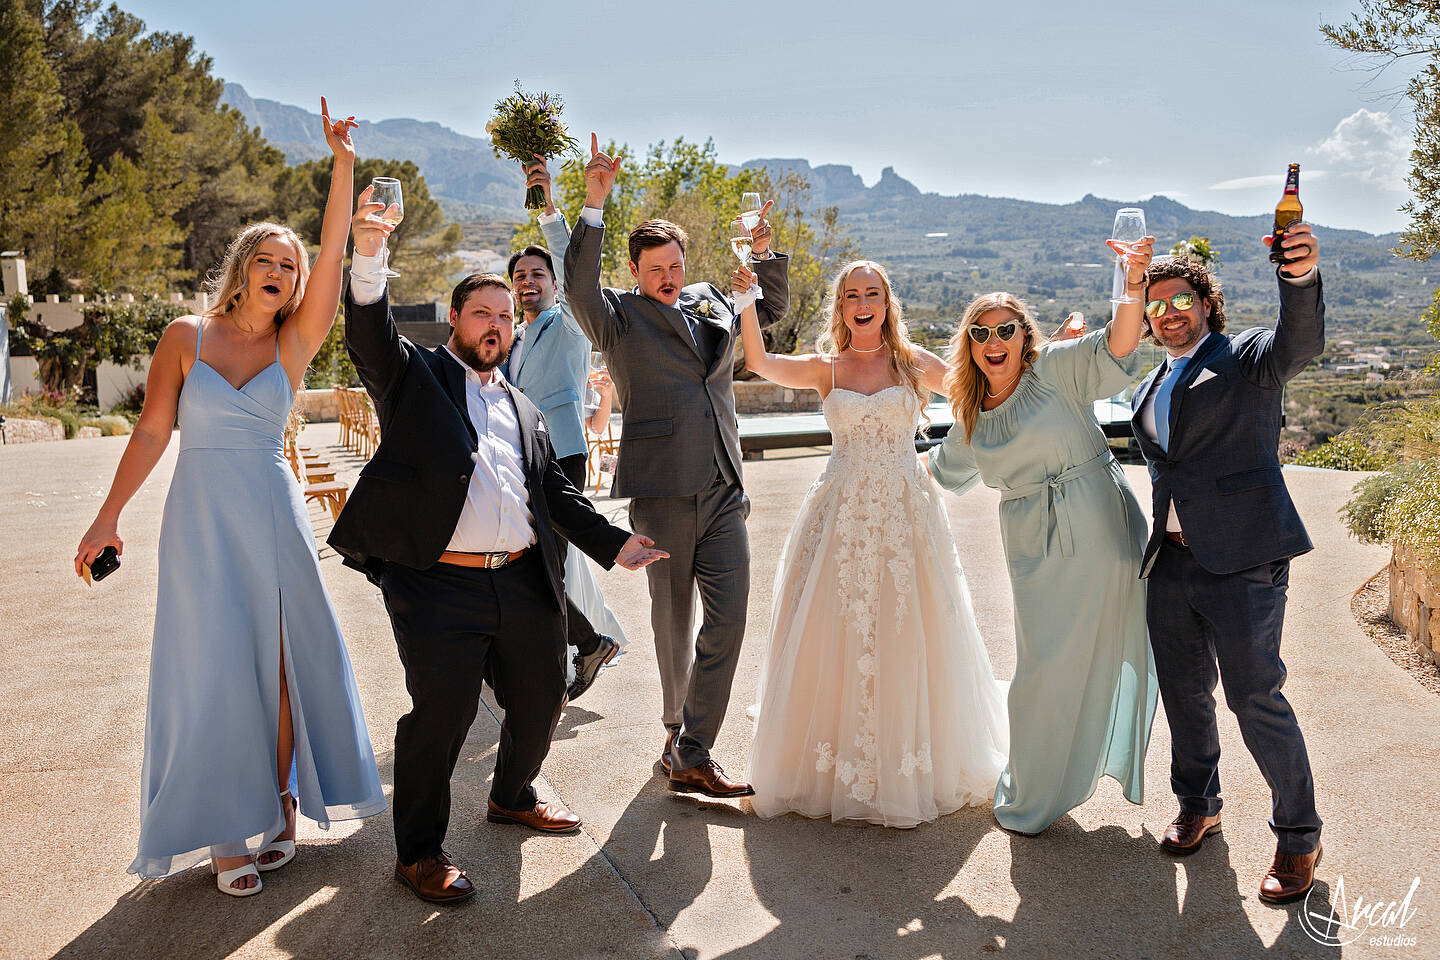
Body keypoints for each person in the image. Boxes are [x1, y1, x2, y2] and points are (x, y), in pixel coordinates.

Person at [74, 100, 386, 897]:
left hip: (273, 514)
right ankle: (223, 831)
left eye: (290, 266)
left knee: (282, 670)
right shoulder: (186, 336)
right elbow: (149, 434)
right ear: (243, 264)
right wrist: (107, 515)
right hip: (199, 519)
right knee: (212, 668)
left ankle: (280, 803)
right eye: (268, 261)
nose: (280, 273)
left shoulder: (294, 340)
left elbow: (331, 246)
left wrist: (342, 164)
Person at [333, 195, 667, 905]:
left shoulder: (524, 406)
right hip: (437, 587)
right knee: (443, 715)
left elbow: (553, 492)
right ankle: (419, 853)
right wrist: (367, 253)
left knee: (545, 695)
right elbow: (368, 333)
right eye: (482, 313)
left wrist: (615, 544)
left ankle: (512, 793)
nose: (496, 326)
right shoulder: (415, 380)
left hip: (520, 581)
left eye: (505, 317)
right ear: (455, 320)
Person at [738, 259, 1009, 826]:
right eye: (852, 295)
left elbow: (986, 388)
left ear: (888, 304)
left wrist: (1045, 350)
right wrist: (748, 300)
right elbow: (759, 363)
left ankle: (908, 761)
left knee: (908, 624)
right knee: (833, 627)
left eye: (874, 294)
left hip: (906, 513)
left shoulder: (913, 365)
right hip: (837, 513)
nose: (863, 303)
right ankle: (834, 763)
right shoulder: (825, 369)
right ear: (842, 307)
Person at [565, 134, 790, 798]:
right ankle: (677, 732)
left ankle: (693, 745)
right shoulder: (617, 320)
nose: (667, 276)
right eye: (654, 268)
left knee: (730, 618)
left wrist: (762, 254)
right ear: (635, 270)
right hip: (661, 492)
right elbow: (577, 283)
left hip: (724, 487)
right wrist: (594, 204)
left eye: (674, 265)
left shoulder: (712, 302)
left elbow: (768, 312)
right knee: (672, 624)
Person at [928, 237, 1159, 836]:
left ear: (1024, 337)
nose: (993, 343)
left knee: (1097, 651)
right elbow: (940, 475)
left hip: (1096, 523)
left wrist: (1132, 283)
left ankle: (1077, 780)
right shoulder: (972, 417)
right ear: (969, 346)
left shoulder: (1056, 368)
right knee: (1042, 665)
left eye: (1005, 331)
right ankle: (1036, 787)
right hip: (1030, 541)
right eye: (980, 334)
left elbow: (1120, 345)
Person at [1130, 223, 1324, 904]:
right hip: (1173, 563)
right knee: (1184, 696)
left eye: (1180, 299)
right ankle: (1199, 803)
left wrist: (1297, 278)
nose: (1168, 312)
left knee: (1253, 698)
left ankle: (1299, 838)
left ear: (1205, 303)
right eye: (1155, 304)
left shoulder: (1243, 358)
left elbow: (1296, 342)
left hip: (1244, 561)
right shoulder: (1154, 377)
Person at [503, 157, 625, 702]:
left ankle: (576, 649)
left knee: (543, 562)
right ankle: (585, 642)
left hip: (560, 455)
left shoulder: (570, 322)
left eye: (537, 274)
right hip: (515, 457)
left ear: (554, 283)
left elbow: (576, 272)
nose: (528, 282)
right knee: (534, 562)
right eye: (519, 277)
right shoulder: (511, 338)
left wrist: (548, 207)